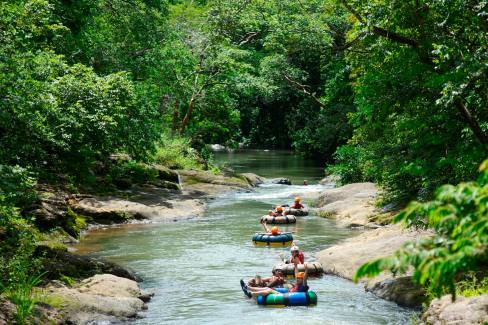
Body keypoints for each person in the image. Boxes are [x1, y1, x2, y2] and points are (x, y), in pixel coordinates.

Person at [240, 264, 309, 298]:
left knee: (269, 290)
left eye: (299, 279)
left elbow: (305, 278)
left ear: (302, 280)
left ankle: (251, 294)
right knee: (267, 288)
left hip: (287, 296)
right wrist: (296, 265)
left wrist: (306, 270)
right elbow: (296, 274)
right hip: (287, 292)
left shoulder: (303, 285)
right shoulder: (297, 284)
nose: (297, 279)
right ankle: (247, 288)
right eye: (297, 278)